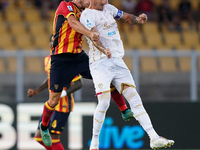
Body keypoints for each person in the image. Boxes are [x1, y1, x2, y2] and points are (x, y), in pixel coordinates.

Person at [80, 0, 174, 149]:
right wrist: (104, 50)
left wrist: (138, 19)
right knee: (104, 102)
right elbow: (93, 36)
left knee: (135, 98)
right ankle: (95, 143)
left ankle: (154, 137)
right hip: (100, 63)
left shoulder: (109, 8)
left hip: (117, 60)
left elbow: (127, 17)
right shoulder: (87, 14)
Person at [39, 0, 133, 147]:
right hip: (61, 59)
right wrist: (90, 33)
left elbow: (93, 34)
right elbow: (73, 24)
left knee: (106, 77)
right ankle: (44, 127)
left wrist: (103, 49)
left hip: (78, 57)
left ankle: (124, 109)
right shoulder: (66, 5)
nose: (90, 1)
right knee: (54, 100)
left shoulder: (85, 13)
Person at [27, 35, 83, 150]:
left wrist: (63, 93)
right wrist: (37, 90)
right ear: (49, 44)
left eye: (57, 42)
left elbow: (78, 84)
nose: (54, 44)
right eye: (53, 42)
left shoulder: (68, 61)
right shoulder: (47, 60)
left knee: (54, 138)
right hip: (51, 104)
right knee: (39, 136)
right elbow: (50, 79)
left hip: (63, 105)